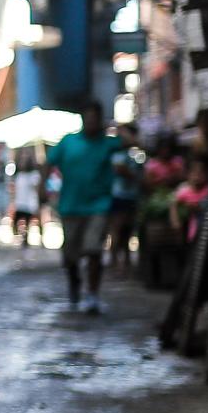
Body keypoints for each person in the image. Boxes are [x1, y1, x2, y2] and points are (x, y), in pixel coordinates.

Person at [47, 99, 127, 314]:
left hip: (98, 205)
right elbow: (48, 162)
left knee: (93, 250)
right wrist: (40, 190)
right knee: (70, 255)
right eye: (88, 117)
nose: (91, 121)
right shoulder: (68, 142)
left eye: (95, 117)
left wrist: (117, 127)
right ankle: (74, 280)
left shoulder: (108, 143)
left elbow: (133, 141)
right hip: (70, 206)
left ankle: (92, 294)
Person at [106, 126, 142, 277]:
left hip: (131, 197)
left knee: (127, 232)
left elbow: (137, 174)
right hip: (118, 197)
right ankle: (115, 262)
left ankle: (125, 263)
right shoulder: (115, 154)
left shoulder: (136, 153)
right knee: (117, 230)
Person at [170, 157, 208, 242]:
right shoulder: (184, 190)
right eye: (194, 173)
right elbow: (173, 204)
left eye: (201, 173)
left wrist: (197, 207)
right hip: (189, 231)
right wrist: (176, 222)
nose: (197, 177)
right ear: (188, 175)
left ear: (207, 175)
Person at [11, 149, 43, 247]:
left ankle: (29, 239)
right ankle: (22, 238)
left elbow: (37, 188)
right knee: (16, 222)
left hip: (30, 203)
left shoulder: (34, 175)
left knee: (29, 222)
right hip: (20, 203)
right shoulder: (19, 175)